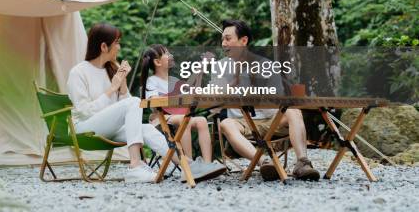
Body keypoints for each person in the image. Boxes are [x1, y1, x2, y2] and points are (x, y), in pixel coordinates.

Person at [67, 23, 192, 183]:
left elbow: (129, 110)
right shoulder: (78, 72)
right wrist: (112, 88)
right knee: (134, 102)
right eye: (117, 42)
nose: (119, 47)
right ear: (104, 46)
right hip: (83, 129)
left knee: (146, 128)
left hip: (108, 128)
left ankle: (187, 166)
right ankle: (135, 166)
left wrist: (123, 84)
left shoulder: (111, 69)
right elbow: (85, 111)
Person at [216, 19, 320, 181]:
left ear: (244, 41)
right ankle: (264, 162)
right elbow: (215, 101)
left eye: (228, 38)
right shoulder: (220, 66)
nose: (223, 43)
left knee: (293, 111)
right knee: (225, 123)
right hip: (242, 122)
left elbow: (278, 100)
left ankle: (302, 163)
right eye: (222, 39)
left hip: (272, 120)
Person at [141, 44, 227, 182]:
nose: (171, 55)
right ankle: (189, 166)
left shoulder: (174, 81)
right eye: (167, 54)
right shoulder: (152, 81)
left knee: (201, 121)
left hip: (178, 117)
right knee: (183, 119)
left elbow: (192, 92)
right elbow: (153, 102)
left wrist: (200, 71)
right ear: (157, 62)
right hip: (160, 119)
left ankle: (206, 166)